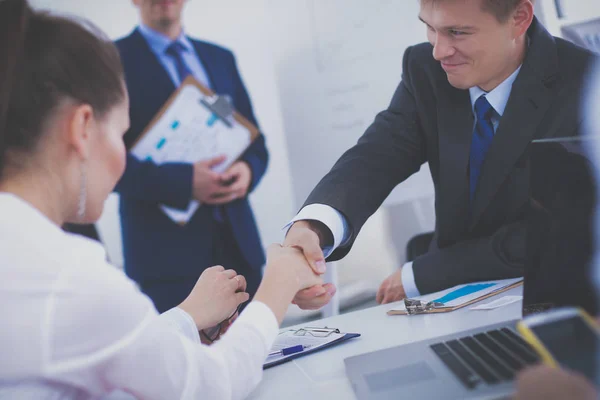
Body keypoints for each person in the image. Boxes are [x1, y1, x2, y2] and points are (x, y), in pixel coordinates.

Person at [0, 1, 320, 398]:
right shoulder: (74, 276)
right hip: (166, 258)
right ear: (82, 127)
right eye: (120, 132)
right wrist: (280, 282)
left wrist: (185, 318)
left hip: (230, 244)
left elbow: (111, 353)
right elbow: (210, 384)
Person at [284, 0, 599, 310]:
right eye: (429, 28)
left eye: (458, 32)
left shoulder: (585, 86)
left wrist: (422, 274)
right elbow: (378, 154)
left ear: (519, 18)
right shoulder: (425, 68)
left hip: (554, 302)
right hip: (455, 303)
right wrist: (315, 227)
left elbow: (563, 229)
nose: (439, 51)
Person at [113, 0, 269, 312]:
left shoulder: (219, 58)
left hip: (239, 247)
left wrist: (247, 171)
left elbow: (254, 142)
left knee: (260, 353)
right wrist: (184, 183)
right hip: (167, 259)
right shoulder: (110, 63)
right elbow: (102, 160)